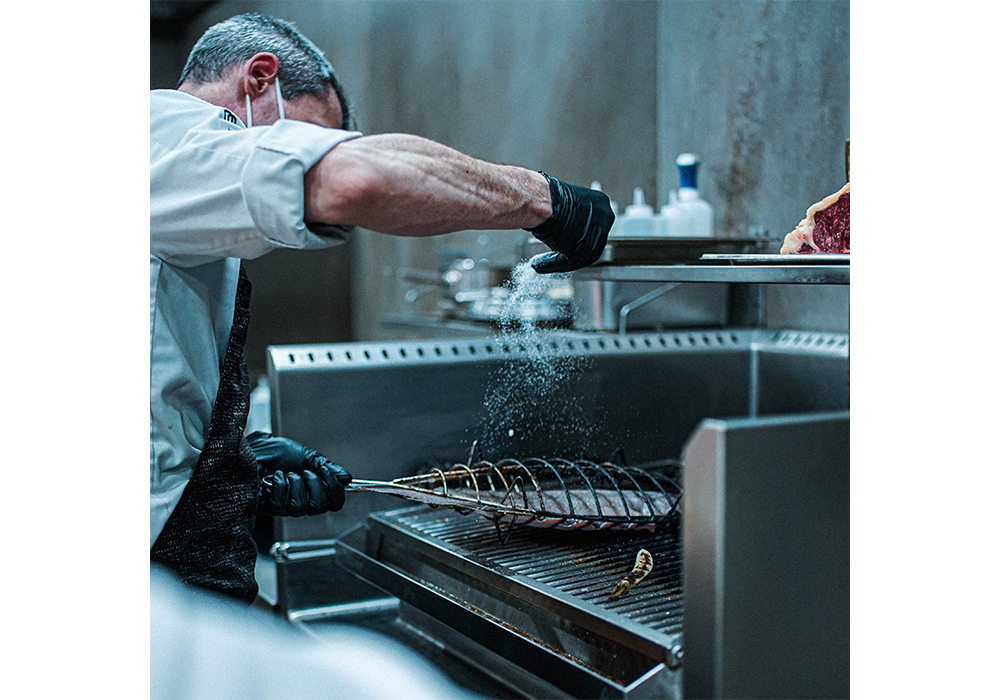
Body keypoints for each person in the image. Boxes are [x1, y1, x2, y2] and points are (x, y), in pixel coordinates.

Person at [150, 12, 614, 603]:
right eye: (314, 141)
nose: (316, 156)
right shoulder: (169, 137)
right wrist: (547, 199)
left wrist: (228, 459)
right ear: (258, 81)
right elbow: (362, 180)